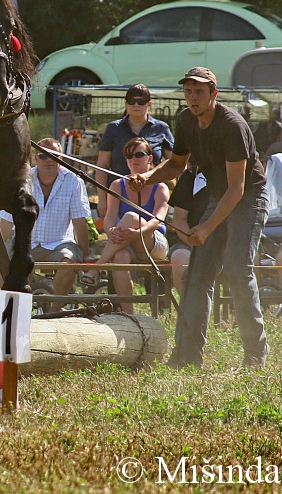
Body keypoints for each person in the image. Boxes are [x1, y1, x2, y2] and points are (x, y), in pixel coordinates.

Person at [128, 67, 269, 368]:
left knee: (236, 268)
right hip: (220, 195)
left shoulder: (231, 125)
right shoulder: (185, 121)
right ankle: (186, 357)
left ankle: (255, 356)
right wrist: (149, 177)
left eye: (199, 92)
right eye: (188, 91)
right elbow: (176, 166)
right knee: (196, 273)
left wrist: (205, 227)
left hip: (249, 198)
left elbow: (238, 188)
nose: (192, 97)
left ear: (213, 94)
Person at [0, 137, 91, 307]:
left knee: (68, 265)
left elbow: (79, 221)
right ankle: (11, 310)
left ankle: (53, 314)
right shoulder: (21, 180)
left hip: (60, 243)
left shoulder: (74, 181)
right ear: (35, 158)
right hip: (24, 243)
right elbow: (6, 223)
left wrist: (86, 254)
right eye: (43, 156)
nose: (49, 160)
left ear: (62, 158)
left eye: (54, 155)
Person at [86, 138, 169, 313]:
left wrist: (136, 234)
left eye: (139, 154)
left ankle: (97, 267)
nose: (134, 159)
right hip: (126, 242)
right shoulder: (117, 185)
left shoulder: (160, 187)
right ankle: (128, 314)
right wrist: (111, 231)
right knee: (119, 257)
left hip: (153, 243)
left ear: (150, 158)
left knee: (131, 216)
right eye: (129, 155)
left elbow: (157, 221)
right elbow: (109, 218)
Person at [95, 84, 174, 220]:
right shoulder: (114, 128)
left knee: (149, 233)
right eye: (131, 101)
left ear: (149, 104)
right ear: (126, 104)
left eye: (141, 101)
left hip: (152, 195)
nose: (136, 105)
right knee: (119, 234)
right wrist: (102, 198)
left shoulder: (161, 128)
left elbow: (174, 162)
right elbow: (102, 165)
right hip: (119, 195)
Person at [166, 159, 209, 294]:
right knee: (179, 257)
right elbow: (178, 220)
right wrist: (195, 243)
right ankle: (189, 311)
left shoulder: (235, 172)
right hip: (190, 242)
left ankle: (240, 311)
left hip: (226, 242)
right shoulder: (191, 175)